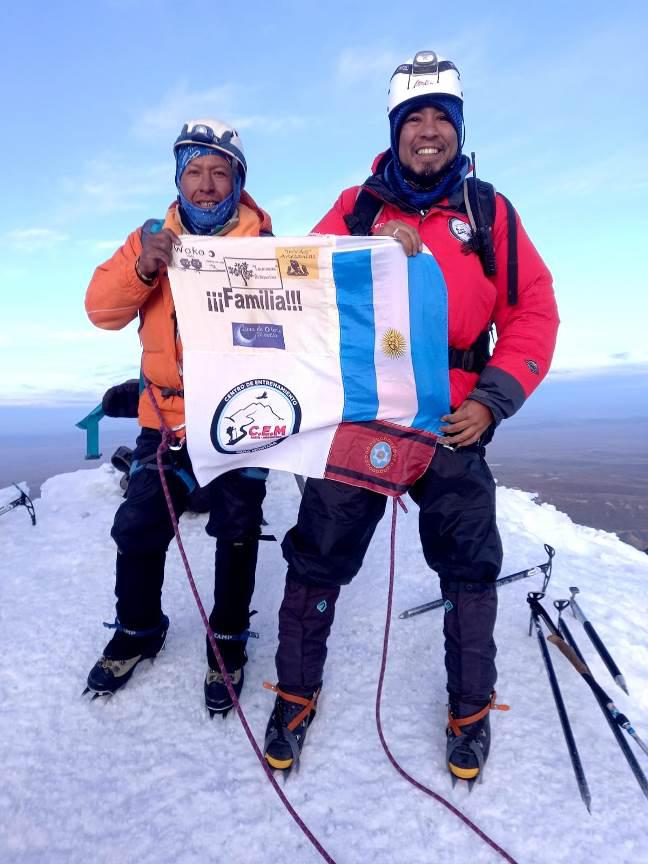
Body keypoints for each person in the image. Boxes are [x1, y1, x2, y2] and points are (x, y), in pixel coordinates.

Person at [263, 51, 559, 780]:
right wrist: (369, 248)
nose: (428, 132)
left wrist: (492, 400)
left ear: (457, 130)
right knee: (318, 550)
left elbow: (533, 310)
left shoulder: (489, 211)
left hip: (454, 408)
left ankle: (470, 709)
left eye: (440, 119)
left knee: (469, 560)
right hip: (367, 409)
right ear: (394, 131)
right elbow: (298, 279)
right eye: (413, 120)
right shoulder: (357, 206)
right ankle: (294, 695)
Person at [84, 119, 272, 717]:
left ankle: (229, 640)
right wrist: (144, 266)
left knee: (236, 531)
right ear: (178, 178)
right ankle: (139, 628)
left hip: (242, 415)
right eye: (195, 171)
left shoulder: (267, 248)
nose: (208, 184)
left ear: (238, 182)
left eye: (221, 172)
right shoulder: (149, 238)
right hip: (164, 418)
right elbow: (101, 311)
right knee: (139, 525)